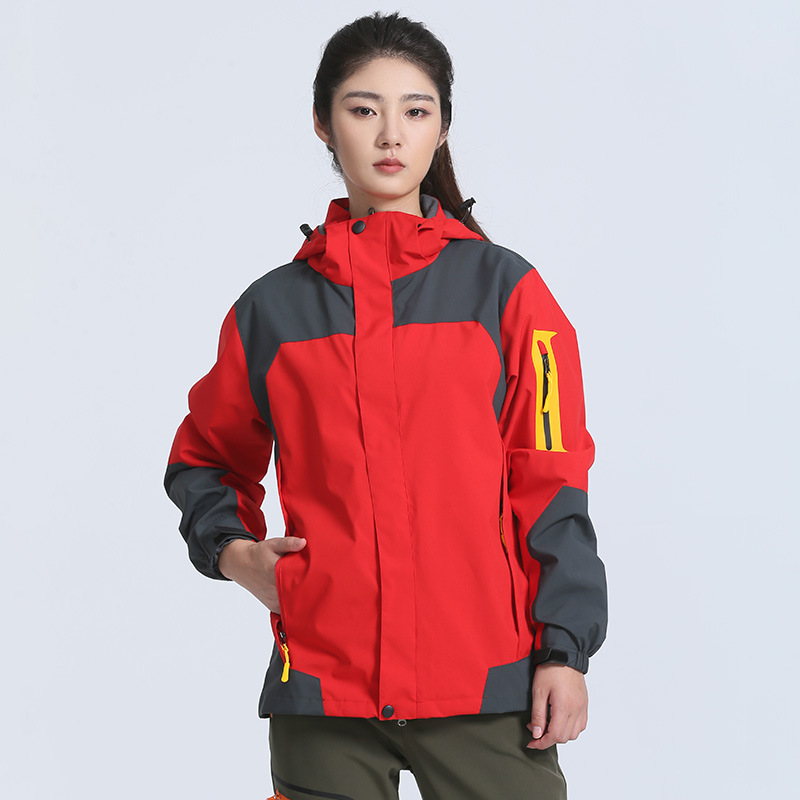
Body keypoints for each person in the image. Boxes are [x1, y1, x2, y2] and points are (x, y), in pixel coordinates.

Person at [164, 11, 607, 800]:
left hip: (487, 686)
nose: (390, 134)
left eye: (416, 110)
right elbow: (205, 458)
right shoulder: (271, 312)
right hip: (322, 691)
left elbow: (552, 481)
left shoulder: (509, 294)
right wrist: (237, 554)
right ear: (323, 124)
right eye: (363, 109)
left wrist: (564, 651)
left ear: (443, 128)